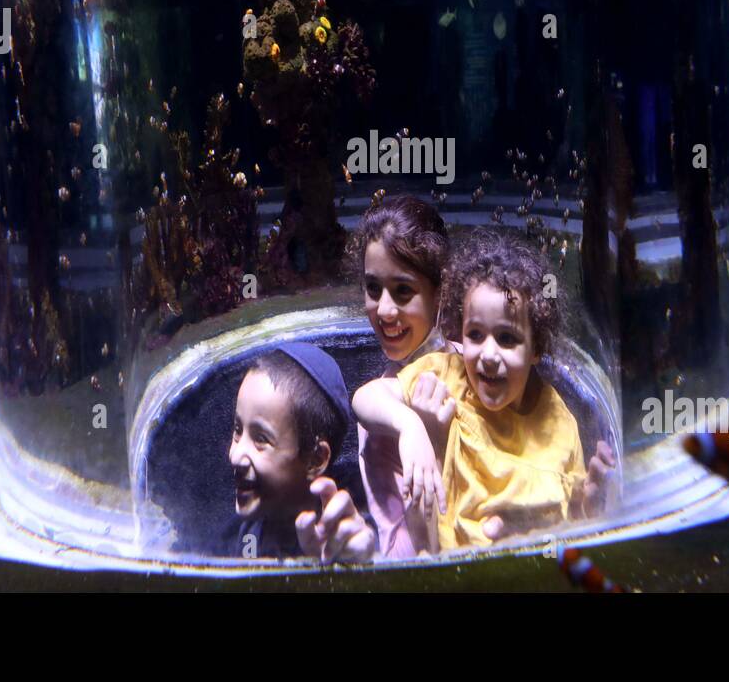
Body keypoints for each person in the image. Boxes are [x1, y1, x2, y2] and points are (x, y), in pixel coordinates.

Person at [353, 227, 617, 550]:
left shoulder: (558, 420)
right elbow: (366, 397)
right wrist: (410, 426)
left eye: (506, 338)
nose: (488, 355)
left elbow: (573, 520)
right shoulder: (449, 375)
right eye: (475, 335)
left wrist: (588, 508)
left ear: (536, 348)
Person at [345, 195, 455, 558]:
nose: (385, 310)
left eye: (403, 290)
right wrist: (414, 427)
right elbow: (403, 552)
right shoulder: (386, 403)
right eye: (373, 288)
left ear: (440, 292)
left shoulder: (477, 363)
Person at [227, 342, 376, 562]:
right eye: (238, 430)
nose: (235, 455)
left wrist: (361, 564)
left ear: (315, 460)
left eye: (261, 439)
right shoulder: (243, 533)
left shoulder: (357, 519)